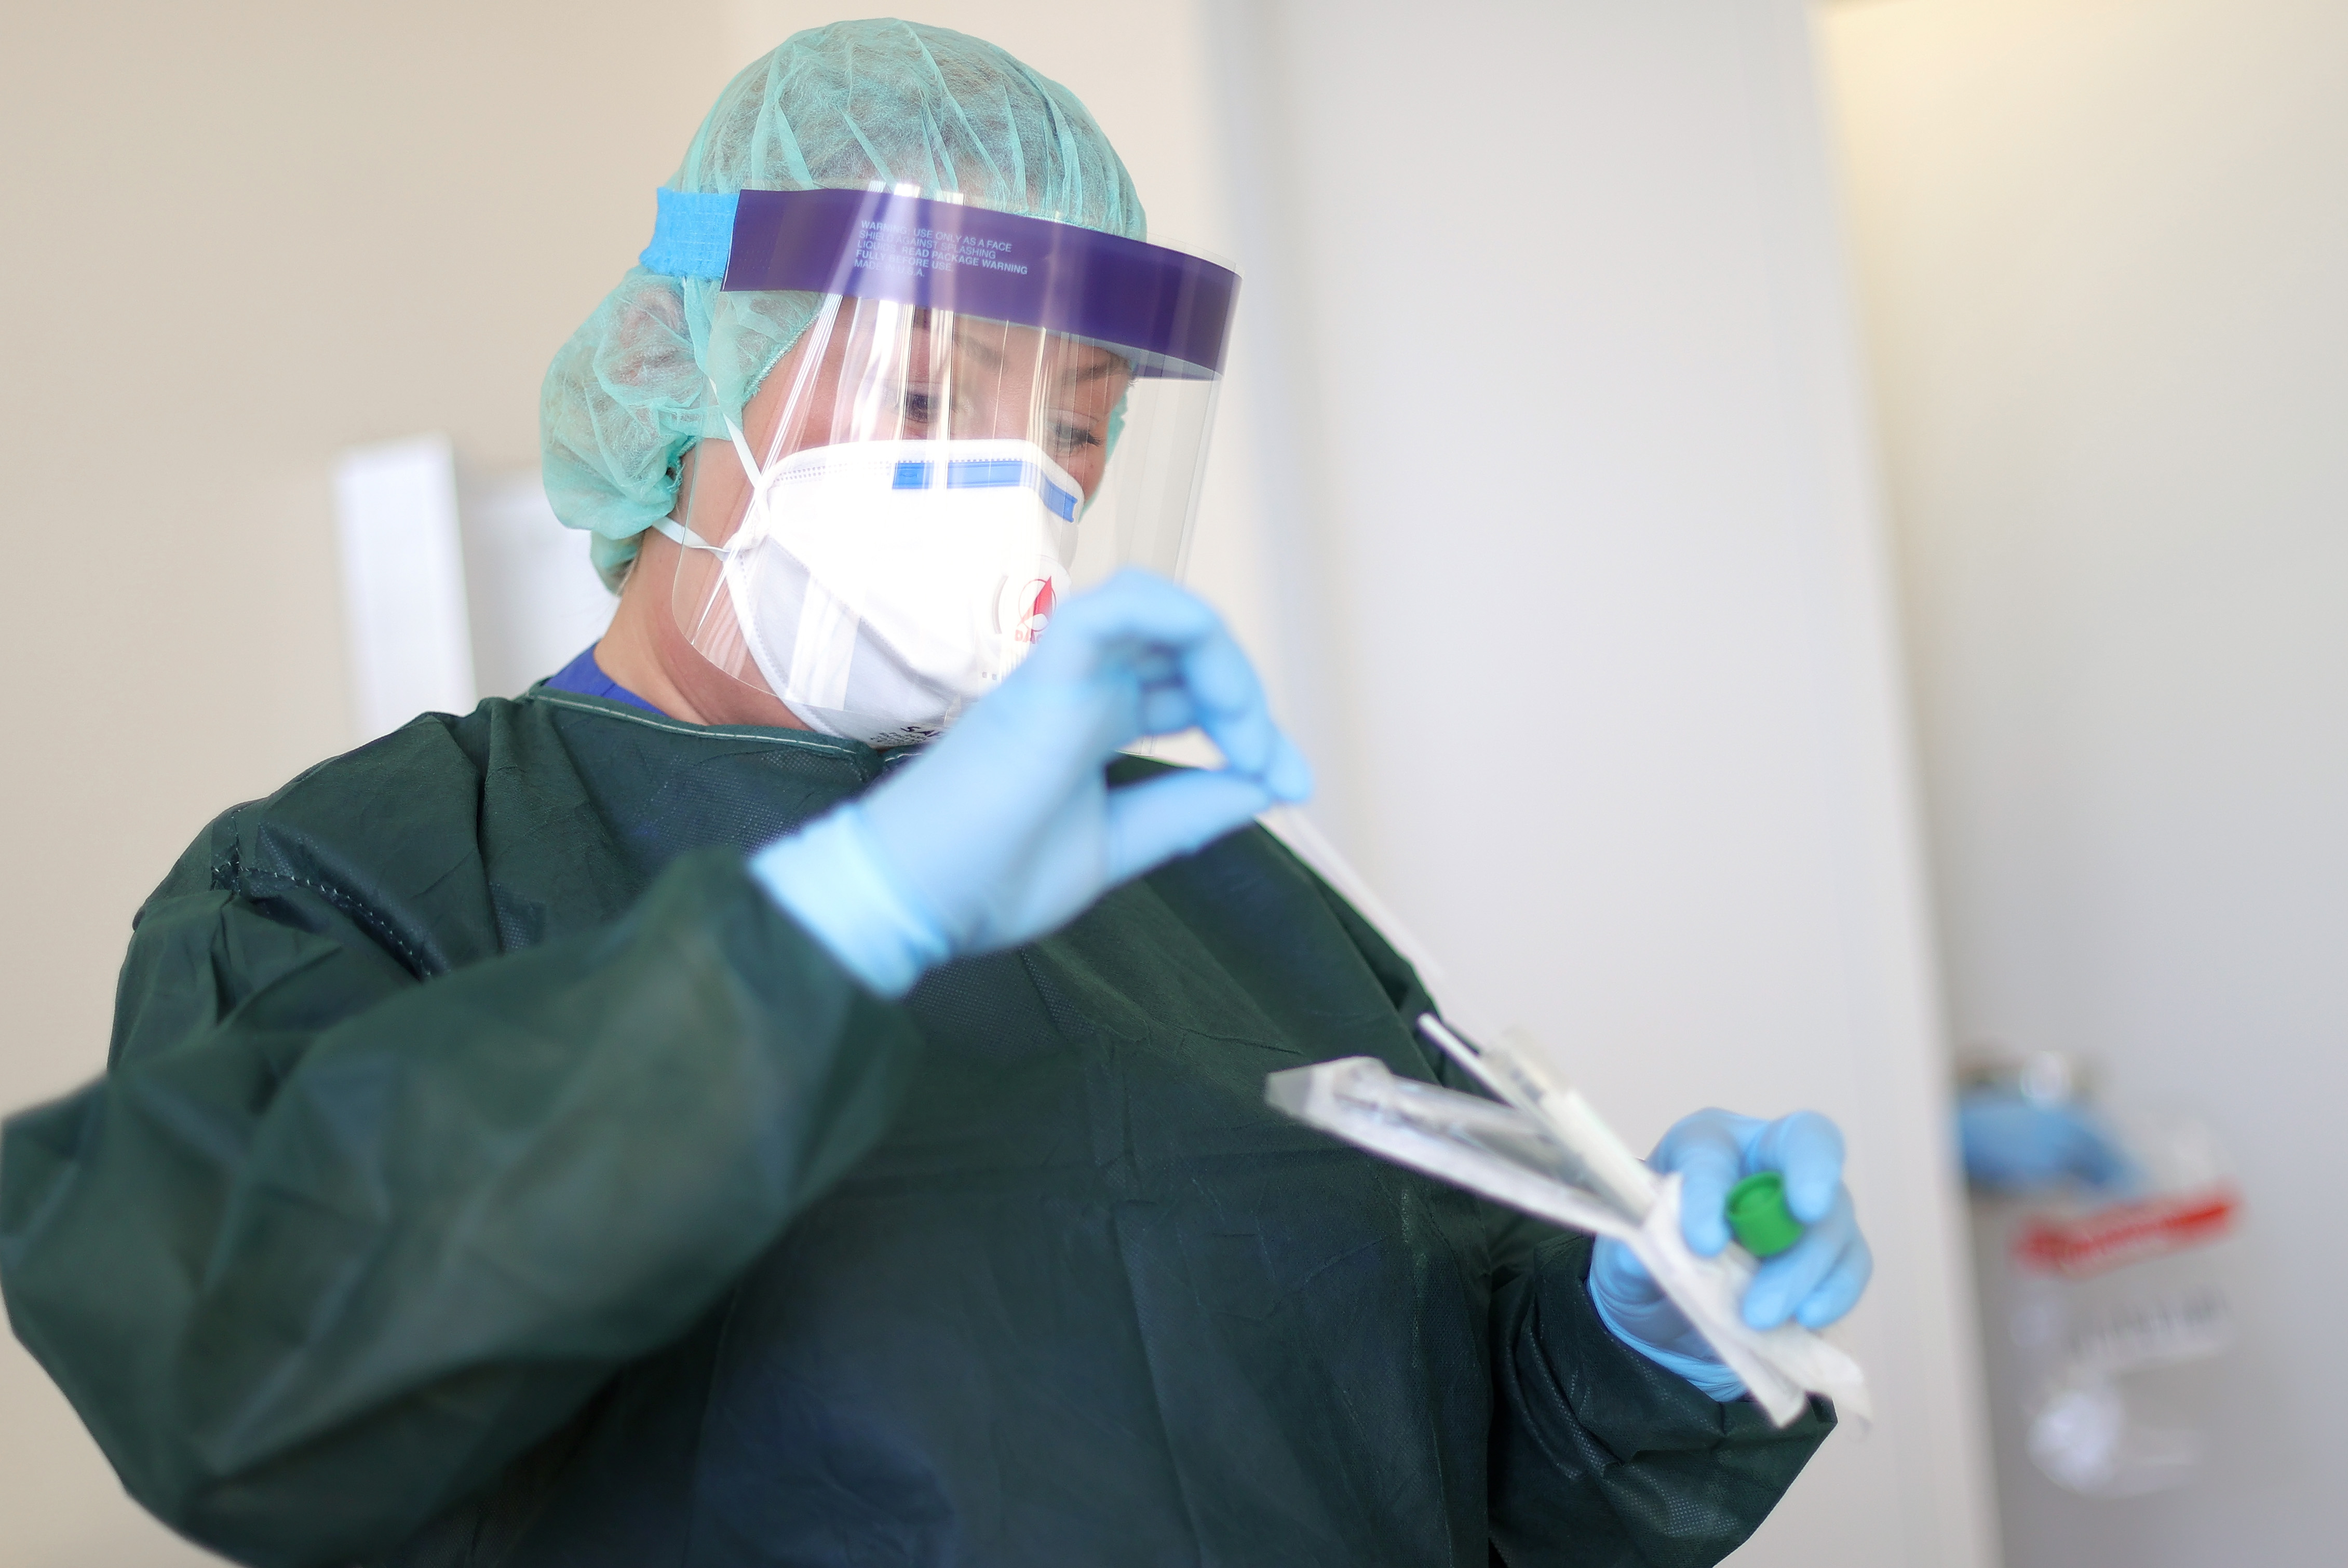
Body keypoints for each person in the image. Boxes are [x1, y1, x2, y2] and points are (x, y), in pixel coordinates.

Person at [0, 22, 1873, 1568]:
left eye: (1072, 431)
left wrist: (1651, 1343)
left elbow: (1465, 1489)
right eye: (925, 395)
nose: (1016, 485)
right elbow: (235, 1366)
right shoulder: (359, 881)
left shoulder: (1221, 883)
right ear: (693, 364)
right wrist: (847, 918)